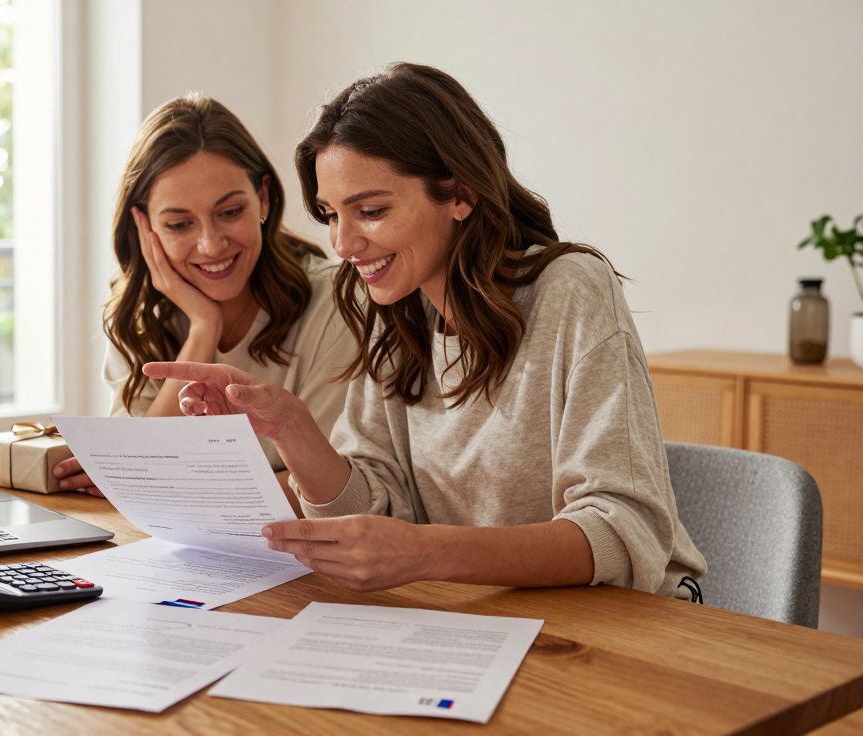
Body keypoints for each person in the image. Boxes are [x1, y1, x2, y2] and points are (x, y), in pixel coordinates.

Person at [144, 64, 706, 598]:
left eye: (370, 211)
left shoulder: (570, 290)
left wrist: (424, 552)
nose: (342, 244)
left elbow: (620, 530)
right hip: (486, 614)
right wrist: (291, 427)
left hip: (630, 621)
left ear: (459, 193)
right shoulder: (395, 308)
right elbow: (374, 515)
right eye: (331, 215)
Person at [52, 95, 358, 502]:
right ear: (144, 227)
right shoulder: (139, 314)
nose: (211, 245)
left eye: (230, 212)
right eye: (179, 224)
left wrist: (159, 482)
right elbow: (140, 473)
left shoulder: (336, 301)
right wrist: (204, 328)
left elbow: (330, 486)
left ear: (263, 198)